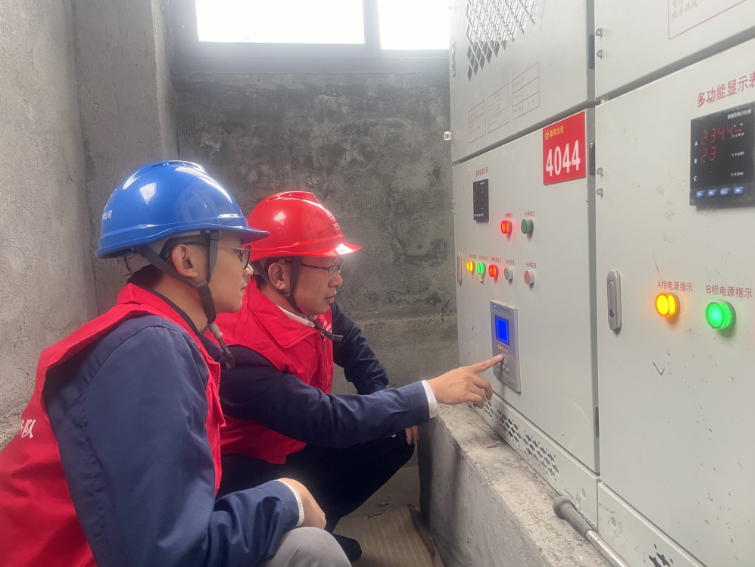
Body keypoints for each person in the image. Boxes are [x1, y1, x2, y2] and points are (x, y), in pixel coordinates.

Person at [0, 163, 349, 567]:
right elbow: (169, 554)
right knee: (312, 551)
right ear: (187, 260)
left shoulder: (147, 335)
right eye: (240, 252)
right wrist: (288, 497)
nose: (248, 268)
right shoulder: (148, 351)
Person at [214, 191, 501, 561]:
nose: (338, 281)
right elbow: (326, 420)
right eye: (328, 268)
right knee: (386, 418)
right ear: (280, 274)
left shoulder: (309, 305)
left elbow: (352, 344)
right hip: (247, 472)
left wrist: (380, 393)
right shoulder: (238, 350)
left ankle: (320, 529)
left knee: (394, 436)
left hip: (295, 445)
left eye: (337, 267)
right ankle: (287, 542)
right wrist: (428, 392)